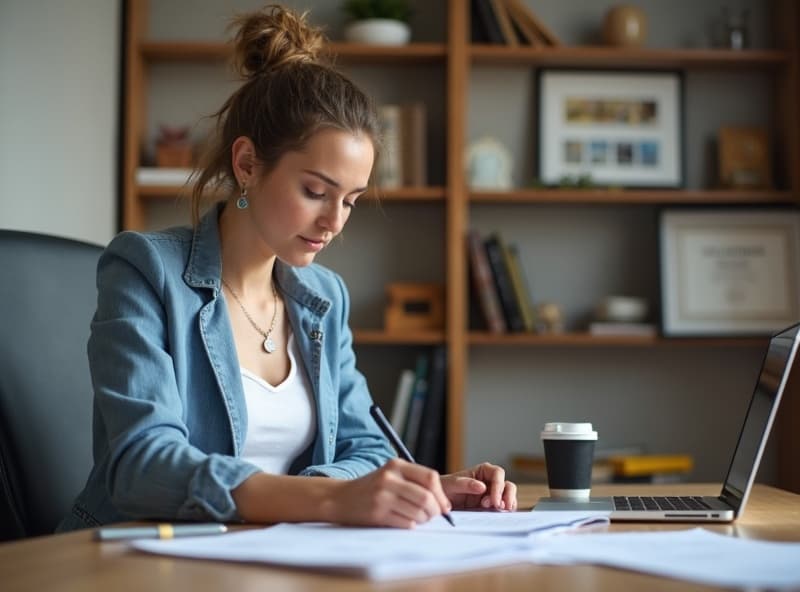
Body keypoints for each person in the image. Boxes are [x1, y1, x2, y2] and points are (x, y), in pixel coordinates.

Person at [59, 5, 516, 532]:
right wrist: (329, 501)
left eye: (351, 200)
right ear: (247, 164)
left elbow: (365, 446)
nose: (334, 222)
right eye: (315, 191)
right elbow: (142, 464)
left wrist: (406, 492)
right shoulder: (145, 270)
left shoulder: (324, 296)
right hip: (144, 561)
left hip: (274, 555)